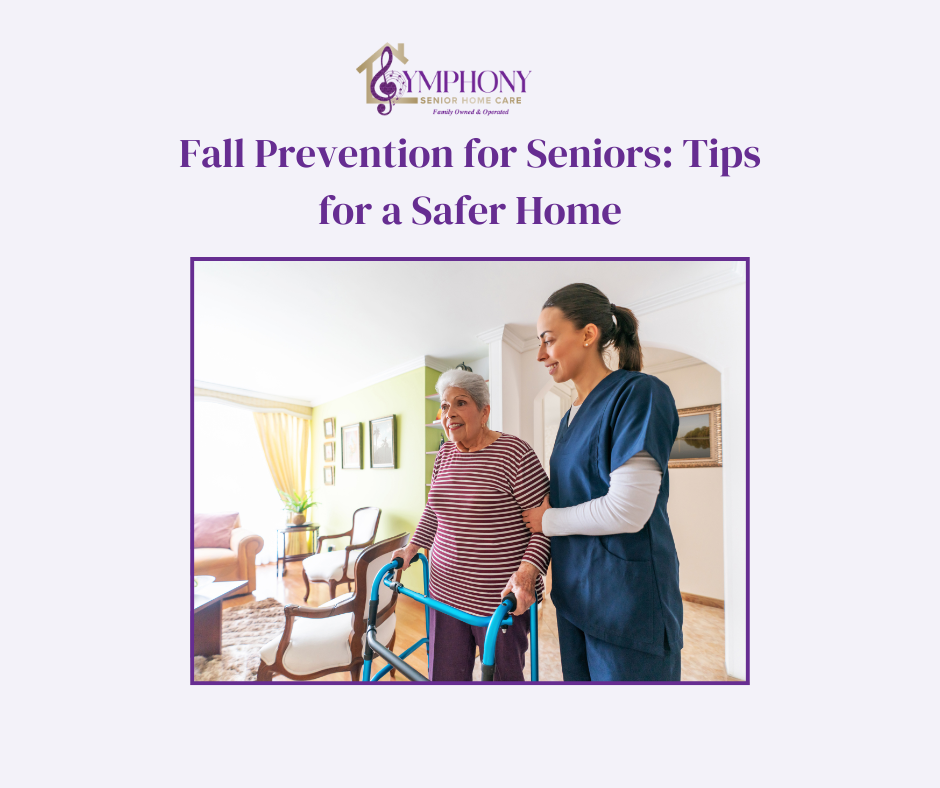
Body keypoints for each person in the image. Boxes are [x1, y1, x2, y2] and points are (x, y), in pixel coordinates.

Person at [522, 283, 683, 681]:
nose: (541, 354)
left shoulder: (639, 394)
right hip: (576, 598)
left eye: (549, 340)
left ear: (588, 335)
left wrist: (548, 521)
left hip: (626, 605)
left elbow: (627, 510)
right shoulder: (568, 418)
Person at [392, 368, 550, 681]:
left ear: (484, 411)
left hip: (499, 599)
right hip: (442, 591)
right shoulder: (445, 452)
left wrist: (528, 573)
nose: (449, 413)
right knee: (446, 675)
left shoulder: (515, 453)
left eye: (460, 403)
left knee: (503, 678)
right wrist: (412, 546)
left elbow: (544, 528)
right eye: (445, 405)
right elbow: (435, 509)